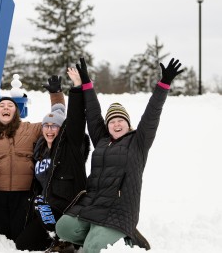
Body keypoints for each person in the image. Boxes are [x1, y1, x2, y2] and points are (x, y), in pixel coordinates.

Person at [56, 58, 184, 253]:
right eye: (112, 121)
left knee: (92, 247)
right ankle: (99, 235)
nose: (116, 124)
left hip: (119, 209)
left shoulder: (138, 142)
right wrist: (86, 83)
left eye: (120, 120)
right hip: (93, 203)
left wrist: (163, 85)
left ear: (128, 123)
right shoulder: (102, 139)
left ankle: (125, 237)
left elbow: (152, 113)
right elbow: (92, 112)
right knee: (63, 228)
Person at [0, 76, 65, 241]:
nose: (6, 107)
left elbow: (57, 119)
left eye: (10, 105)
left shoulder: (30, 129)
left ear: (16, 112)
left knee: (18, 239)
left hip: (23, 195)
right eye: (2, 105)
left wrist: (56, 94)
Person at [15, 69, 90, 252]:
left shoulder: (70, 147)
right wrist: (55, 95)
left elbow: (72, 120)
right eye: (46, 126)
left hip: (68, 208)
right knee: (23, 244)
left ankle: (65, 240)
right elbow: (57, 113)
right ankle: (54, 240)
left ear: (62, 130)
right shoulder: (40, 148)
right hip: (45, 209)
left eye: (54, 127)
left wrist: (77, 88)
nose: (49, 130)